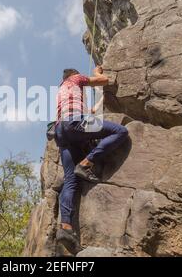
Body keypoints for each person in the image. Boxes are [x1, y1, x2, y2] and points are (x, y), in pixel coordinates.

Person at [54, 66, 129, 254]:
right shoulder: (75, 79)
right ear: (74, 75)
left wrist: (96, 104)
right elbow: (104, 80)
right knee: (120, 131)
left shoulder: (62, 89)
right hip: (75, 122)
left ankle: (66, 228)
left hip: (61, 132)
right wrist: (97, 73)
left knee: (70, 180)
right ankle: (87, 162)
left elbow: (90, 110)